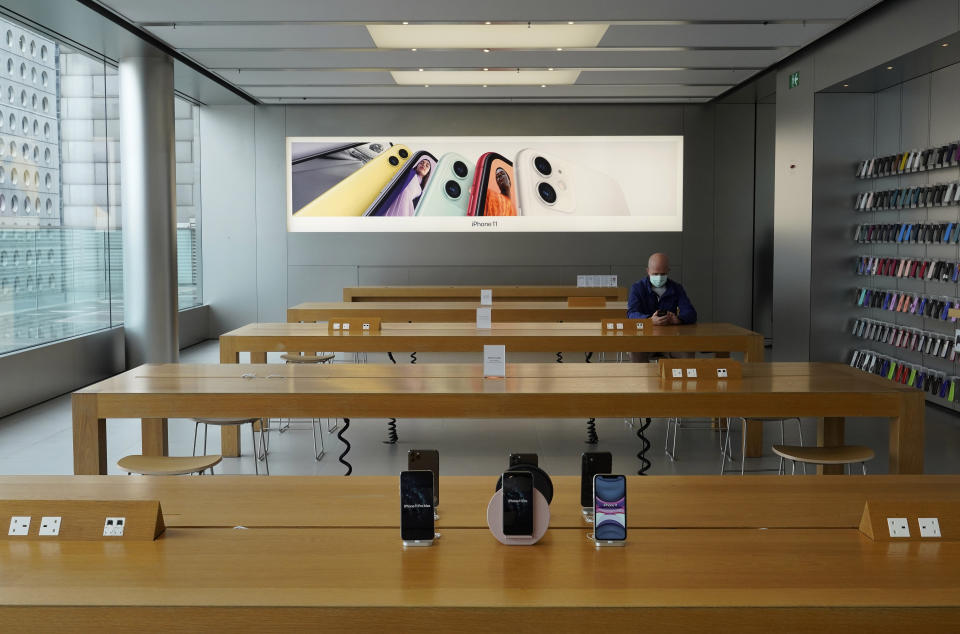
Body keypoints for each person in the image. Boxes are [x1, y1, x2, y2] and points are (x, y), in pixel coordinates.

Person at [627, 252, 697, 362]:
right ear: (648, 271)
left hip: (670, 340)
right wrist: (649, 320)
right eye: (655, 274)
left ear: (668, 271)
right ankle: (642, 379)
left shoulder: (676, 288)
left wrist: (678, 319)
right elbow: (632, 313)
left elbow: (691, 313)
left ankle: (679, 378)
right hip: (644, 339)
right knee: (635, 350)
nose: (659, 277)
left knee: (687, 352)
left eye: (662, 274)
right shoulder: (637, 288)